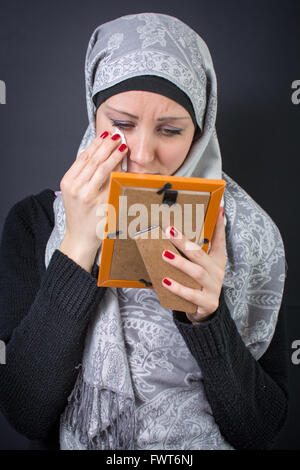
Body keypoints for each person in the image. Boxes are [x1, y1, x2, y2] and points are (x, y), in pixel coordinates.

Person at [0, 12, 288, 451]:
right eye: (121, 124)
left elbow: (260, 429)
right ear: (93, 115)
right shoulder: (34, 222)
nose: (142, 155)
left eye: (170, 130)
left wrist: (207, 318)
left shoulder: (250, 236)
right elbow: (25, 413)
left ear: (200, 131)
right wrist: (77, 248)